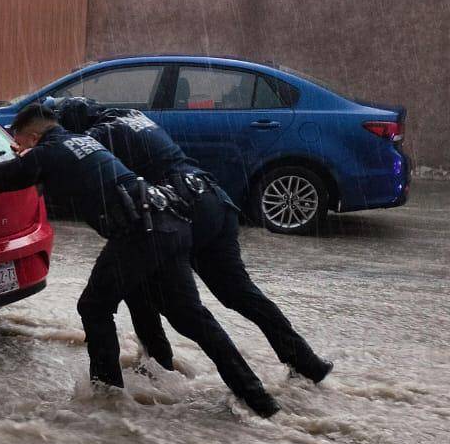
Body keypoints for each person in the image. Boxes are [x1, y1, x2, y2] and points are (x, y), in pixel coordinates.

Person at [0, 103, 281, 418]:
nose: (18, 148)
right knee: (193, 319)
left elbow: (4, 175)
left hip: (141, 232)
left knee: (93, 306)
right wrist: (8, 164)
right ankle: (258, 400)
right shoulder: (82, 141)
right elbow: (24, 171)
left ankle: (108, 396)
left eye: (20, 142)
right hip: (170, 223)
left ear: (32, 137)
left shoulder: (47, 154)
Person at [57, 97, 331, 383]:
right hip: (213, 200)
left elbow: (73, 154)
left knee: (151, 292)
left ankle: (158, 365)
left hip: (183, 210)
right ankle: (306, 362)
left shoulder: (100, 134)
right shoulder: (130, 115)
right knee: (240, 293)